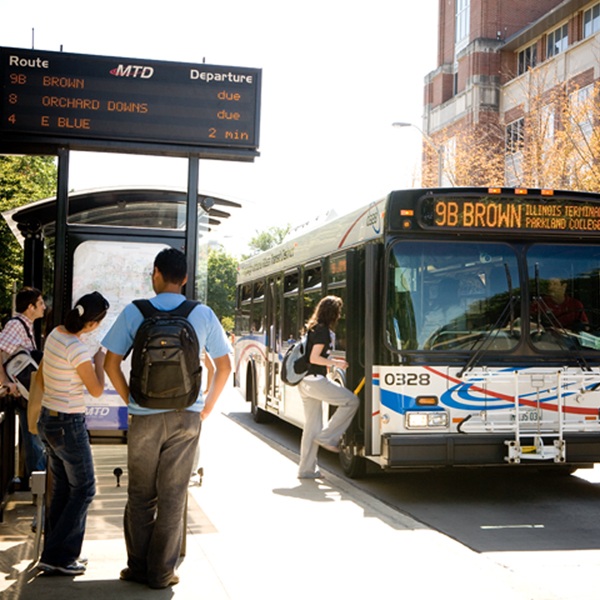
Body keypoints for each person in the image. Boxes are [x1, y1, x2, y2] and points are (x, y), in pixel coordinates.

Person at [102, 248, 231, 590]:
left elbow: (110, 363)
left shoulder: (135, 311)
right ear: (185, 278)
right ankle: (162, 573)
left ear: (156, 274)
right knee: (174, 495)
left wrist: (132, 400)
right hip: (187, 415)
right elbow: (225, 367)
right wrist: (206, 407)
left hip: (144, 416)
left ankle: (138, 567)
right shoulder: (202, 313)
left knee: (141, 494)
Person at [28, 291, 109, 576]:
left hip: (49, 423)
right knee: (85, 489)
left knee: (62, 489)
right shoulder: (76, 348)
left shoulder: (54, 335)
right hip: (69, 425)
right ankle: (57, 555)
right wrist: (100, 360)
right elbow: (97, 390)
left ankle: (57, 553)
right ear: (92, 324)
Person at [297, 295, 359, 479]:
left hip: (305, 382)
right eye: (338, 311)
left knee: (311, 427)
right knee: (351, 401)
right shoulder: (323, 331)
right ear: (332, 313)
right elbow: (314, 358)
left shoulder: (313, 328)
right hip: (315, 381)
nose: (340, 315)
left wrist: (332, 360)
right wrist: (337, 365)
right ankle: (328, 436)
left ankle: (306, 470)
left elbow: (314, 355)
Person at [0, 287, 47, 486]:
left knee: (35, 440)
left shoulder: (25, 325)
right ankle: (39, 489)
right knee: (35, 442)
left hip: (29, 392)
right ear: (30, 307)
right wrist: (4, 382)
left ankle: (38, 486)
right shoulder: (16, 326)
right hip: (24, 393)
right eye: (41, 303)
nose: (45, 307)